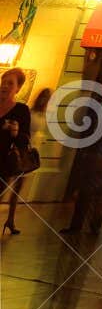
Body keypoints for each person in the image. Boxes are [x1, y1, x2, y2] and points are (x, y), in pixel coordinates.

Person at [4, 86, 49, 235]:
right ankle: (9, 220)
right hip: (21, 150)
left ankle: (10, 220)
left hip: (30, 153)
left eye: (47, 98)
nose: (44, 100)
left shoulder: (45, 115)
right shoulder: (28, 111)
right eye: (43, 96)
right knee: (6, 183)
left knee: (17, 190)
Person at [0, 68, 31, 236]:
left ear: (18, 88)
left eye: (10, 83)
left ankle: (10, 220)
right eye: (3, 81)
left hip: (3, 163)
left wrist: (16, 133)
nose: (4, 85)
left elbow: (25, 139)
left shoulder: (21, 110)